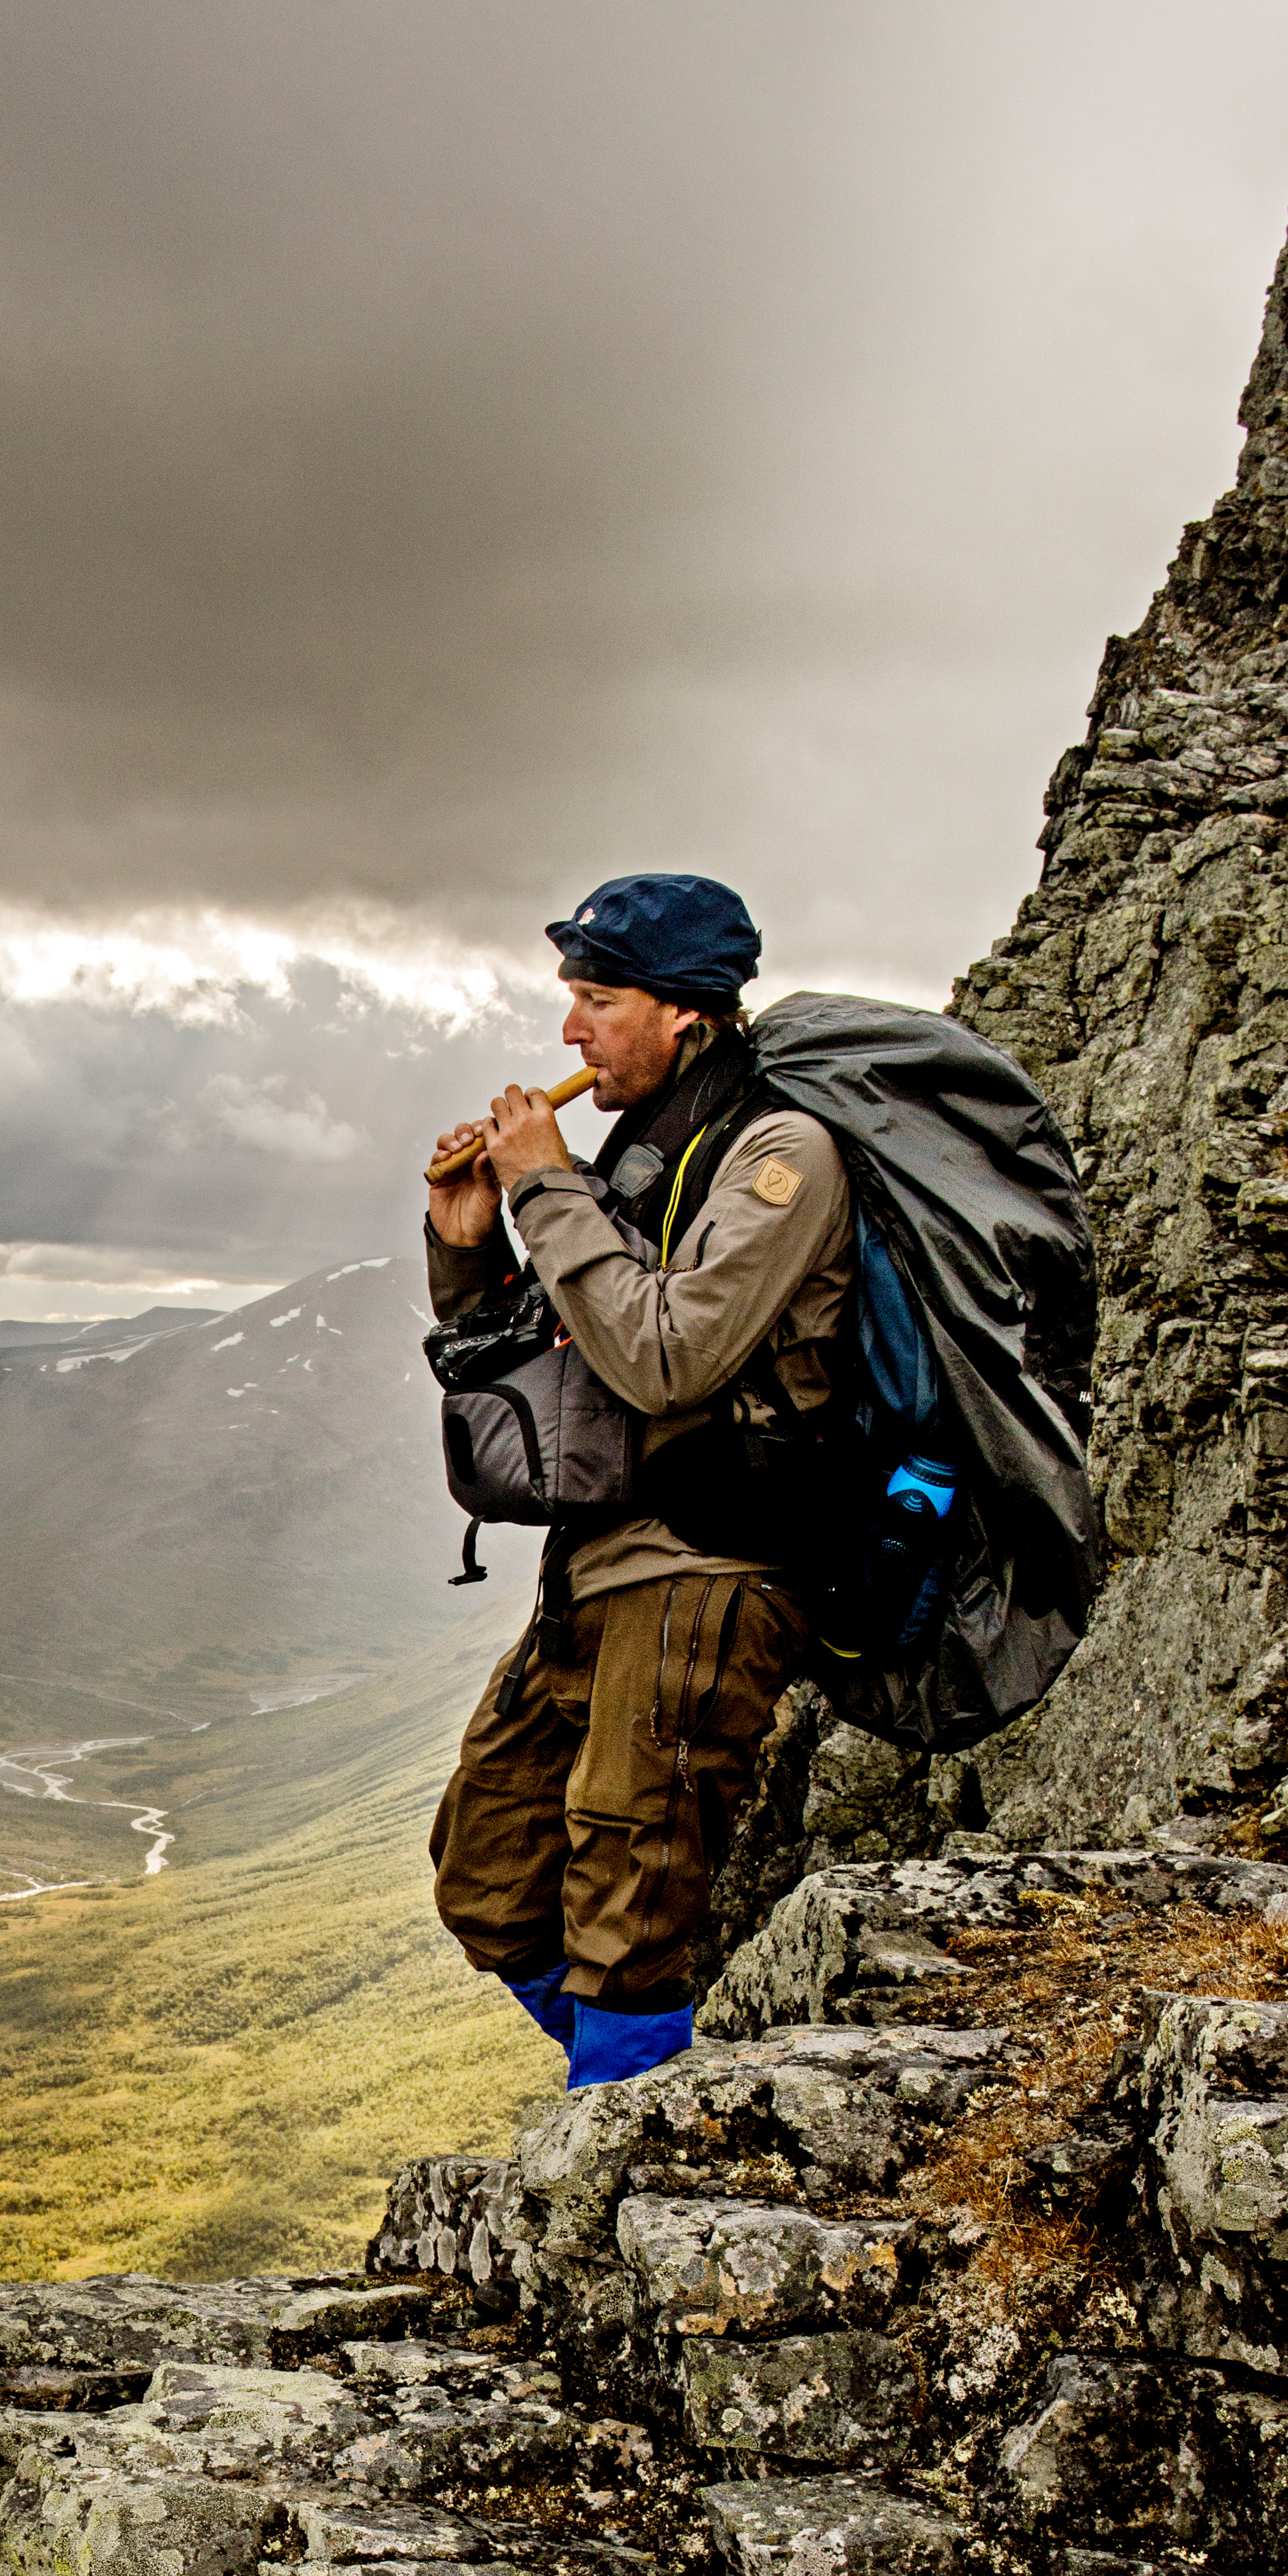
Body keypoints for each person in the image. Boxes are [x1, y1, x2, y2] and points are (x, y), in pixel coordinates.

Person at [422, 871, 854, 2090]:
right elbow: (570, 1353)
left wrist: (544, 1184)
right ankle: (646, 2099)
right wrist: (469, 1243)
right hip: (599, 1561)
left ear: (684, 1012)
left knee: (628, 1892)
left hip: (708, 1566)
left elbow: (669, 1358)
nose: (571, 1030)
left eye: (599, 1000)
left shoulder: (780, 1152)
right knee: (486, 1873)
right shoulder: (645, 1151)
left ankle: (625, 2131)